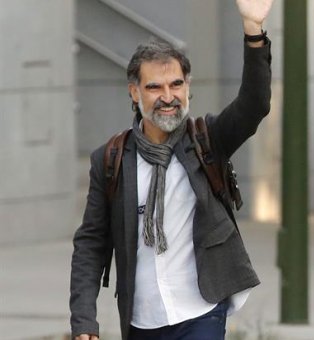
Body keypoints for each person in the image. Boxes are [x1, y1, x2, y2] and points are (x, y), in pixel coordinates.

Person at [69, 0, 273, 339]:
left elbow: (254, 104)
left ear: (188, 87)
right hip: (142, 319)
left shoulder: (207, 141)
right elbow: (91, 244)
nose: (168, 96)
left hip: (201, 311)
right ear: (134, 92)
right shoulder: (111, 159)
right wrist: (84, 320)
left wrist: (253, 30)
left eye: (176, 84)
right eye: (155, 87)